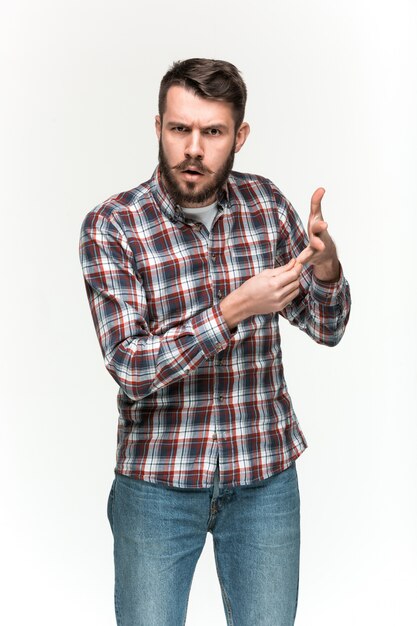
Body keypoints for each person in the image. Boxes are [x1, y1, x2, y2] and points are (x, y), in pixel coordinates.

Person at [79, 58, 351, 626]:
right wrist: (231, 312)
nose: (194, 148)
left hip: (263, 478)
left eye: (212, 131)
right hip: (157, 482)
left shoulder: (267, 206)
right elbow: (131, 365)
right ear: (158, 128)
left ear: (239, 136)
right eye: (180, 129)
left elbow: (327, 328)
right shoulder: (113, 225)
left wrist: (326, 270)